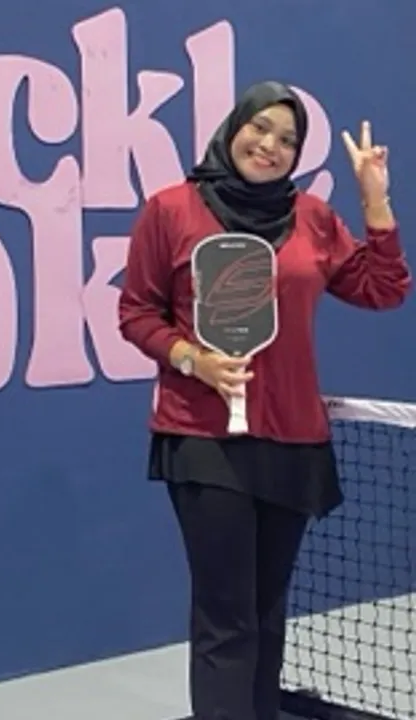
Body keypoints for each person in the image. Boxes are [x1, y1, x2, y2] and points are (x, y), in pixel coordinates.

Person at [118, 81, 412, 720]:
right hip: (203, 439)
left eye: (287, 140)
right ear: (234, 128)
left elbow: (384, 289)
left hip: (294, 440)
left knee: (266, 611)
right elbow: (137, 313)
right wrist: (192, 359)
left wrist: (375, 198)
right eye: (260, 128)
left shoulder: (314, 218)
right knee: (226, 618)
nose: (270, 145)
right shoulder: (171, 210)